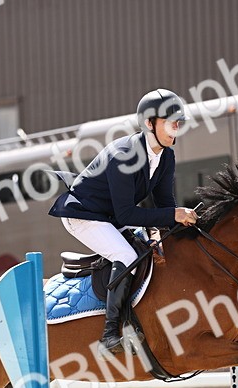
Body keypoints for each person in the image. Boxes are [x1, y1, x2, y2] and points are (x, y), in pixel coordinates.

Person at [49, 88, 199, 352]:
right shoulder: (124, 155)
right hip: (84, 214)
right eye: (170, 121)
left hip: (110, 216)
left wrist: (187, 225)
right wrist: (172, 215)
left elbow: (165, 205)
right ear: (149, 123)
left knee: (147, 248)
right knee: (127, 256)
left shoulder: (166, 156)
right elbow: (127, 215)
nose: (177, 127)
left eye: (179, 122)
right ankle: (110, 334)